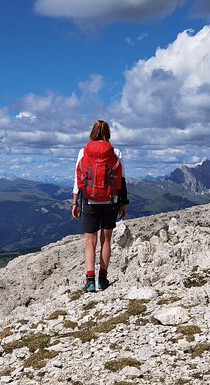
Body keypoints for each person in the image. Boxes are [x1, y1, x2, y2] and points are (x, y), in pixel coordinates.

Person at [71, 120, 129, 292]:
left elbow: (78, 179)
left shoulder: (83, 152)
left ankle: (90, 281)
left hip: (89, 201)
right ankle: (103, 280)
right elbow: (122, 180)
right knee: (106, 241)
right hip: (111, 201)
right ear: (108, 133)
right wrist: (123, 203)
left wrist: (75, 202)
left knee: (90, 242)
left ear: (92, 132)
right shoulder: (116, 152)